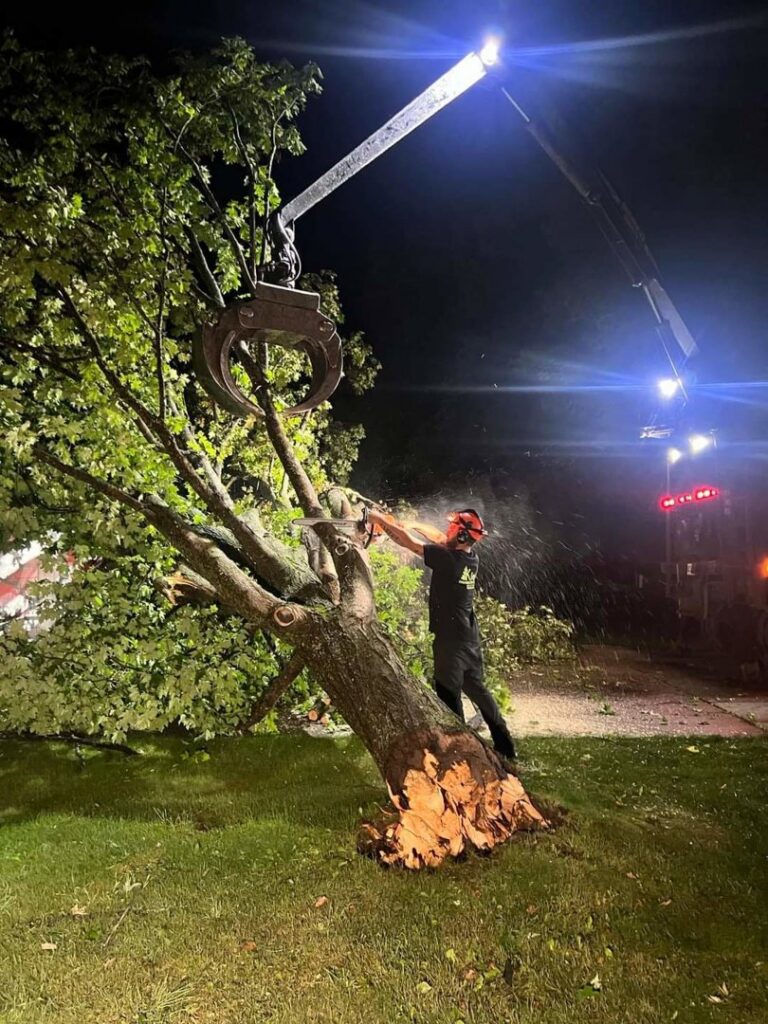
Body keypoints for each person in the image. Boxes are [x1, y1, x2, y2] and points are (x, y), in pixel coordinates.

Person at [367, 507, 517, 761]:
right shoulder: (469, 559)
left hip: (450, 641)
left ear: (461, 536)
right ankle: (507, 749)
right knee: (478, 690)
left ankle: (458, 751)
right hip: (468, 637)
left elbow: (410, 544)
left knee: (447, 698)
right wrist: (411, 523)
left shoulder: (448, 560)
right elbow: (437, 538)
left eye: (453, 527)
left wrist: (379, 520)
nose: (447, 530)